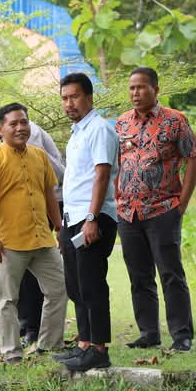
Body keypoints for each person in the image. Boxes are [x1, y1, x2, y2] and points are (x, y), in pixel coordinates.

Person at [0, 97, 66, 347]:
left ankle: (49, 345)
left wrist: (59, 227)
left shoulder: (39, 156)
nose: (20, 128)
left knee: (59, 289)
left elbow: (50, 195)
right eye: (13, 124)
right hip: (10, 241)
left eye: (24, 122)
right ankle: (11, 351)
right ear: (0, 128)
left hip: (42, 239)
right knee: (8, 299)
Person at [115, 67, 196, 352]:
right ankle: (148, 333)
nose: (135, 93)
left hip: (163, 209)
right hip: (128, 213)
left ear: (156, 89)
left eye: (141, 87)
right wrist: (117, 196)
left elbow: (193, 158)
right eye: (132, 88)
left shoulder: (175, 121)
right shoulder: (121, 123)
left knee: (170, 274)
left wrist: (182, 203)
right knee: (139, 276)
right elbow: (117, 163)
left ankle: (182, 335)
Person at [54, 73, 119, 372]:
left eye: (75, 97)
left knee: (92, 284)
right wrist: (64, 225)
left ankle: (99, 349)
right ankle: (84, 343)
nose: (69, 103)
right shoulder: (77, 133)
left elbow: (101, 175)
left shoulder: (99, 129)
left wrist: (91, 219)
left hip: (93, 218)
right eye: (65, 98)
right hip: (73, 219)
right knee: (76, 285)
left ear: (89, 98)